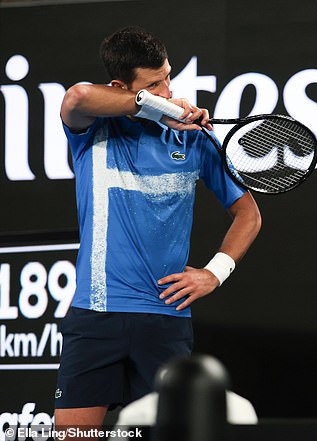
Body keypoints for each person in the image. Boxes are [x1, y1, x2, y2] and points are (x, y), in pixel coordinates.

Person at [54, 26, 262, 435]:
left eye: (168, 77)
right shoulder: (91, 129)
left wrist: (214, 273)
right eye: (154, 84)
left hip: (164, 321)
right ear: (121, 86)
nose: (167, 89)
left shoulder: (198, 139)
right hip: (95, 317)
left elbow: (249, 215)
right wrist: (153, 108)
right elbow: (77, 96)